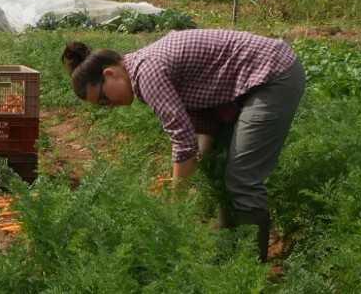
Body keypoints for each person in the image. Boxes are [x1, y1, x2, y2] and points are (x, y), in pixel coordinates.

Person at [60, 29, 305, 261]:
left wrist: (175, 205)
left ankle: (251, 269)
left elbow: (183, 141)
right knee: (215, 166)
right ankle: (228, 247)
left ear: (109, 74)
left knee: (242, 178)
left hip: (273, 74)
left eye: (104, 100)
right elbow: (201, 123)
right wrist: (202, 164)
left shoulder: (147, 72)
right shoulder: (144, 69)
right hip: (255, 80)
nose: (110, 106)